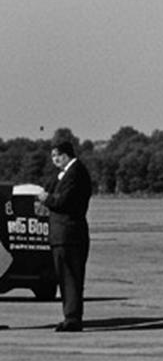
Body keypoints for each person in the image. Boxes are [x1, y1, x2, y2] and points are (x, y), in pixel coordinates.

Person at [36, 138, 92, 332]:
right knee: (67, 278)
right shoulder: (65, 174)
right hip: (63, 234)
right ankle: (70, 315)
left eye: (56, 155)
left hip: (69, 234)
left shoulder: (76, 173)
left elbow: (65, 201)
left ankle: (72, 318)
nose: (54, 159)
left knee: (70, 278)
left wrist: (47, 199)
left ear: (65, 155)